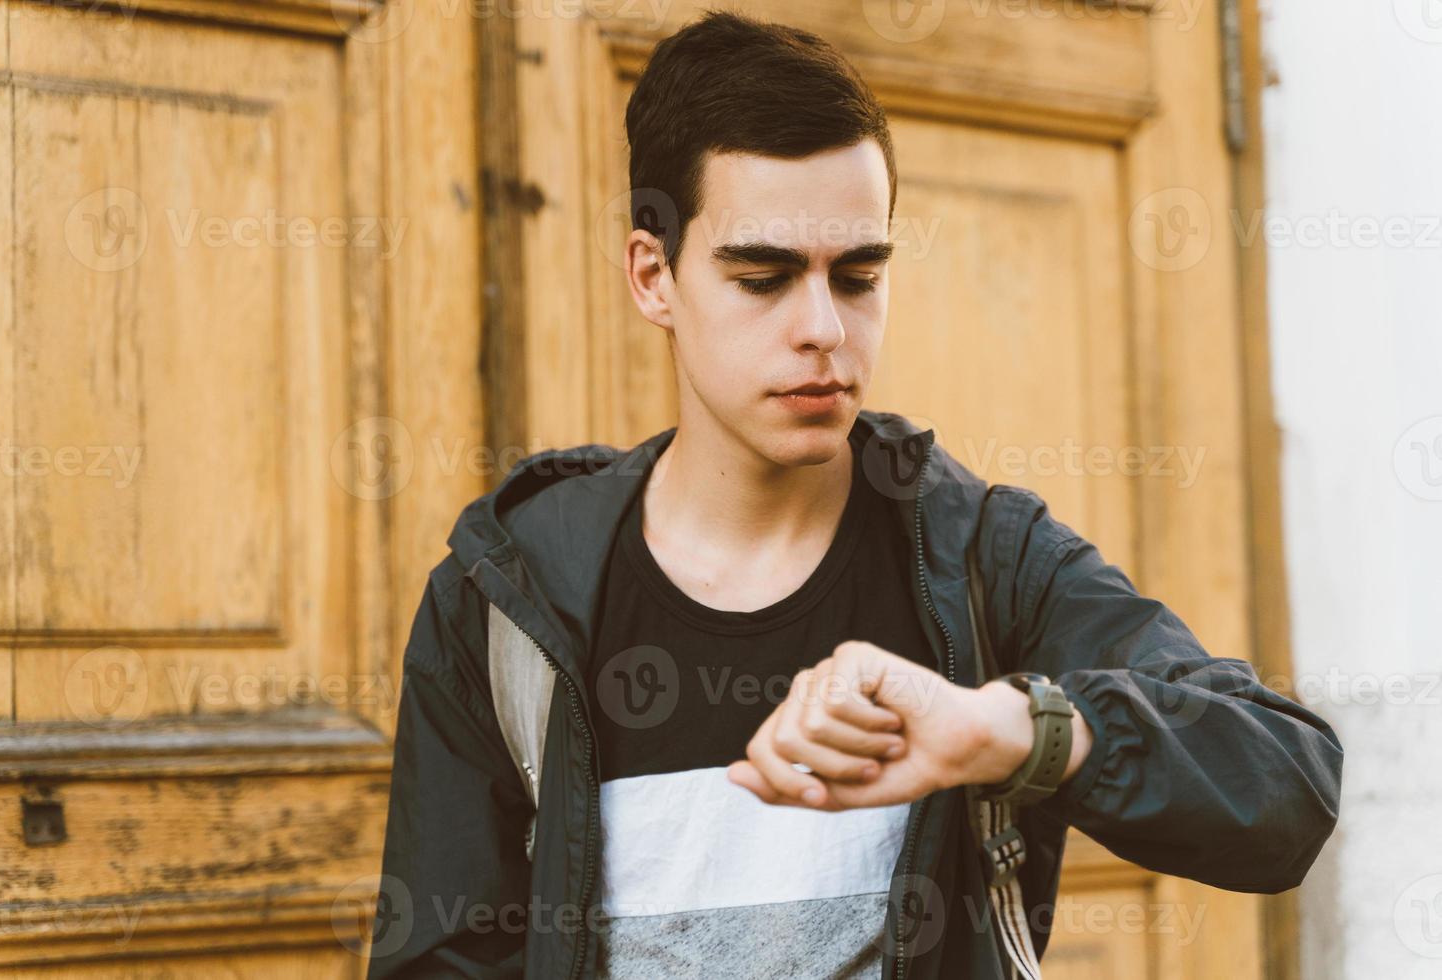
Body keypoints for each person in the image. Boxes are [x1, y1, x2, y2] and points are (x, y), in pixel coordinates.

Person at [366, 10, 1342, 979]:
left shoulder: (982, 558)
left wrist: (1006, 727)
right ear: (652, 274)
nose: (825, 328)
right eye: (764, 277)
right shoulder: (505, 600)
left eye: (860, 274)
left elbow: (1288, 784)